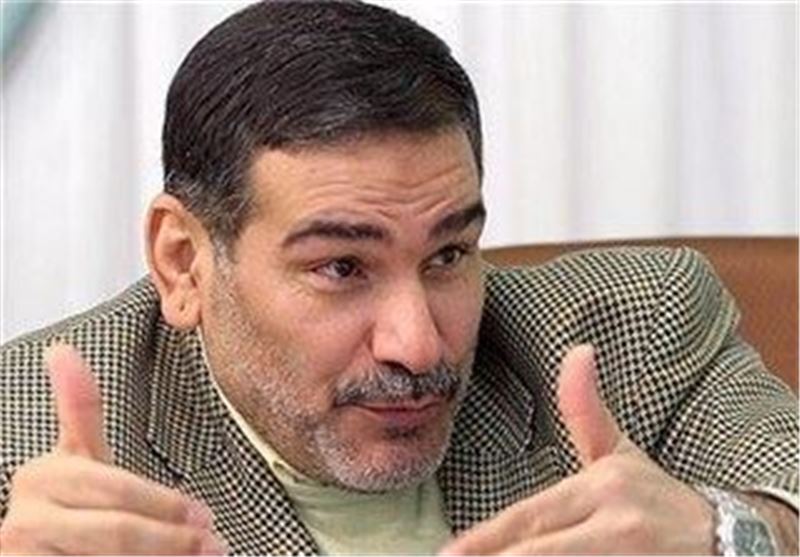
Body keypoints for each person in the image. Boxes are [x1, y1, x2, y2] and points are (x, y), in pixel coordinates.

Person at [0, 1, 796, 555]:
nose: (416, 345)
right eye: (342, 267)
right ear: (183, 261)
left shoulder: (636, 334)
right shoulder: (26, 443)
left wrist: (730, 534)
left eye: (447, 255)